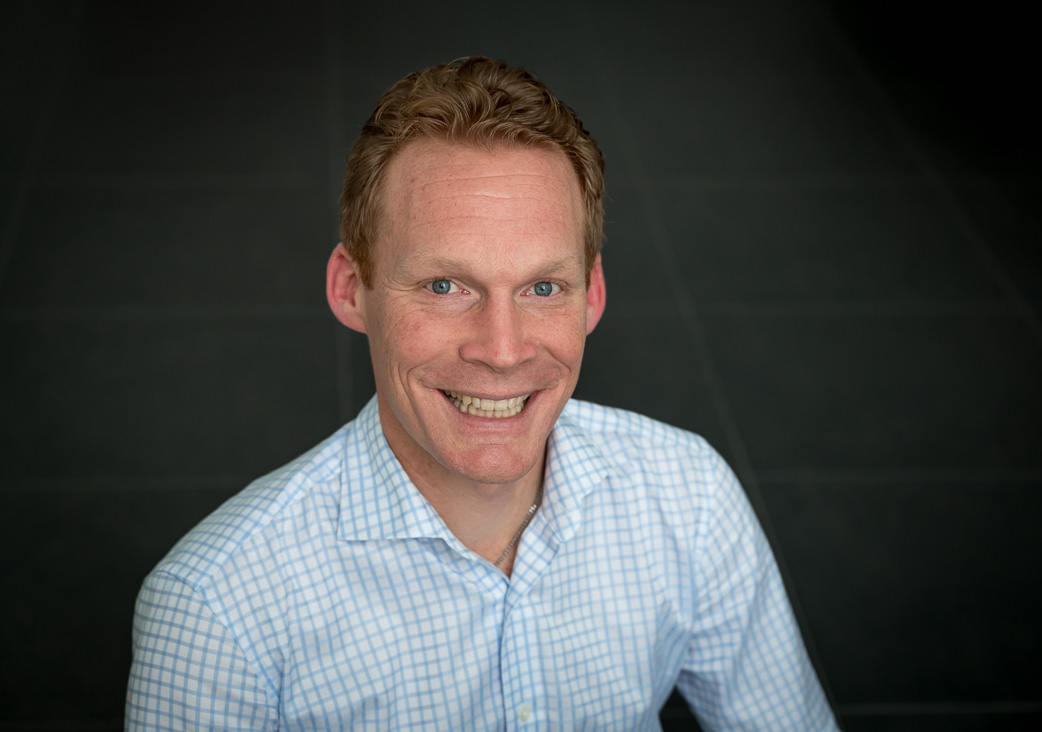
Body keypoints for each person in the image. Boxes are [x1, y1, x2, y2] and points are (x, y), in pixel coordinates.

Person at [125, 57, 838, 730]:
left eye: (542, 287)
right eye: (445, 286)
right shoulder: (214, 610)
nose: (502, 350)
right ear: (350, 290)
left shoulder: (690, 497)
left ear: (592, 294)